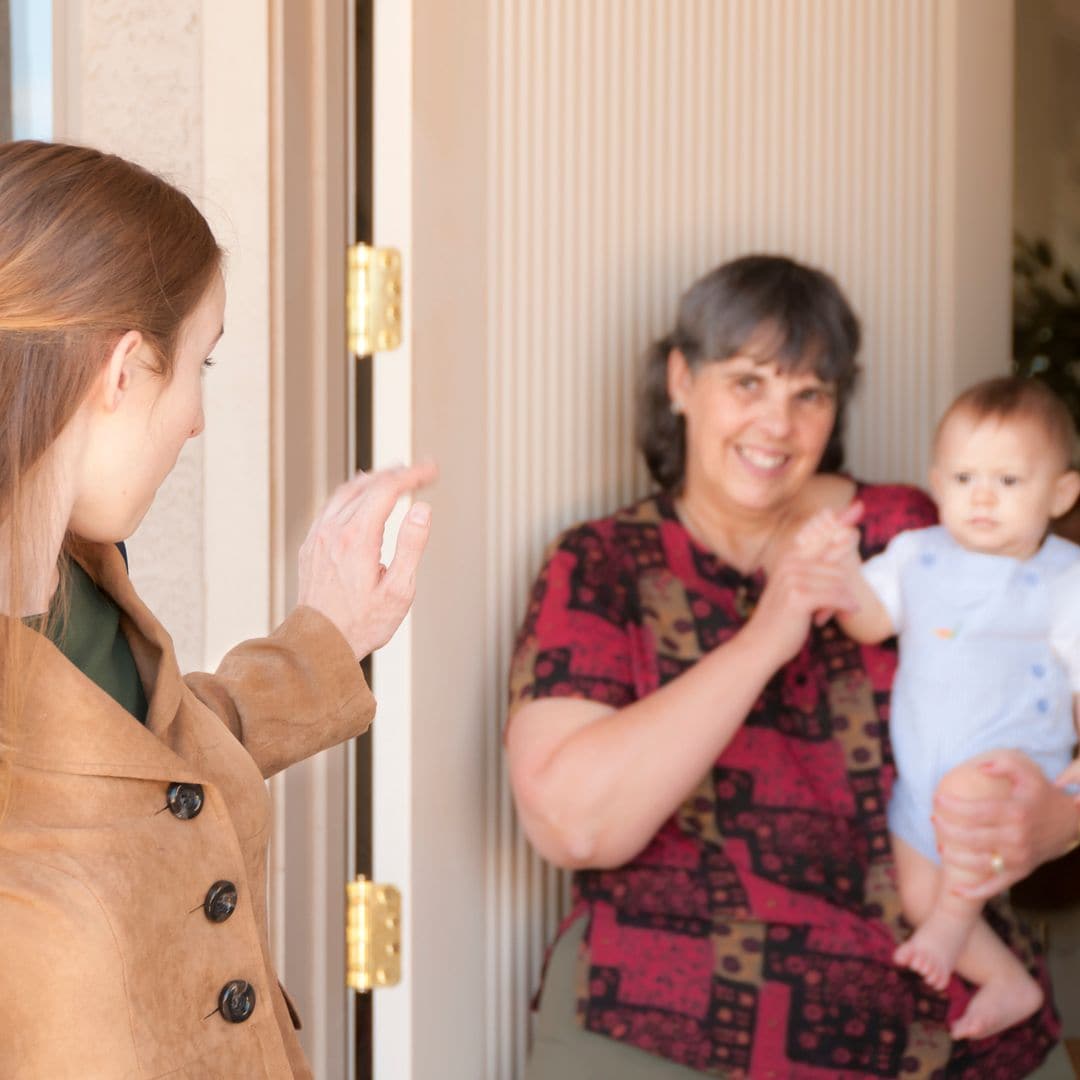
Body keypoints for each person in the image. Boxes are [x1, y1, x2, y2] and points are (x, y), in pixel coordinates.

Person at [505, 255, 1080, 1078]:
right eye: (748, 383)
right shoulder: (603, 563)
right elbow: (575, 825)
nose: (777, 424)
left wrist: (1065, 817)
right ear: (680, 381)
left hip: (939, 1013)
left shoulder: (921, 534)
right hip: (671, 1015)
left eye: (810, 393)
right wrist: (765, 637)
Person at [0, 140, 435, 1078]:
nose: (197, 418)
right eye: (203, 363)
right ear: (124, 371)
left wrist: (326, 637)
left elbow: (153, 769)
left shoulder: (82, 583)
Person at [793, 376, 1080, 1042]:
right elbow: (868, 621)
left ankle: (954, 927)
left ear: (1061, 493)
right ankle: (1008, 980)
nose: (982, 496)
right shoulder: (917, 554)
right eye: (962, 477)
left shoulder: (1066, 576)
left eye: (1009, 482)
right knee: (919, 895)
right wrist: (839, 573)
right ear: (935, 481)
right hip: (923, 777)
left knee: (957, 843)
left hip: (1012, 768)